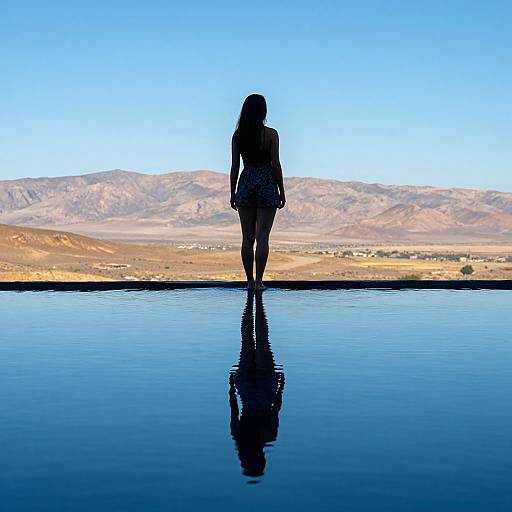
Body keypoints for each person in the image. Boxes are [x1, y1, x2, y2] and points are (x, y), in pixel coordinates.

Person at [230, 94, 286, 291]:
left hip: (245, 183)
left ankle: (249, 282)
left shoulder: (238, 136)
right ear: (263, 111)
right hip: (266, 184)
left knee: (247, 238)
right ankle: (260, 281)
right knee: (263, 237)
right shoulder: (271, 135)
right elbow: (276, 165)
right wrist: (282, 191)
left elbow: (235, 167)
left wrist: (233, 193)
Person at [229, 291, 285, 480]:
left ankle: (252, 302)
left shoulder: (268, 436)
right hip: (247, 385)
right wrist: (232, 386)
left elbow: (276, 407)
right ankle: (256, 302)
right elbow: (233, 409)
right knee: (249, 339)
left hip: (264, 386)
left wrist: (280, 387)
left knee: (259, 339)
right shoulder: (245, 437)